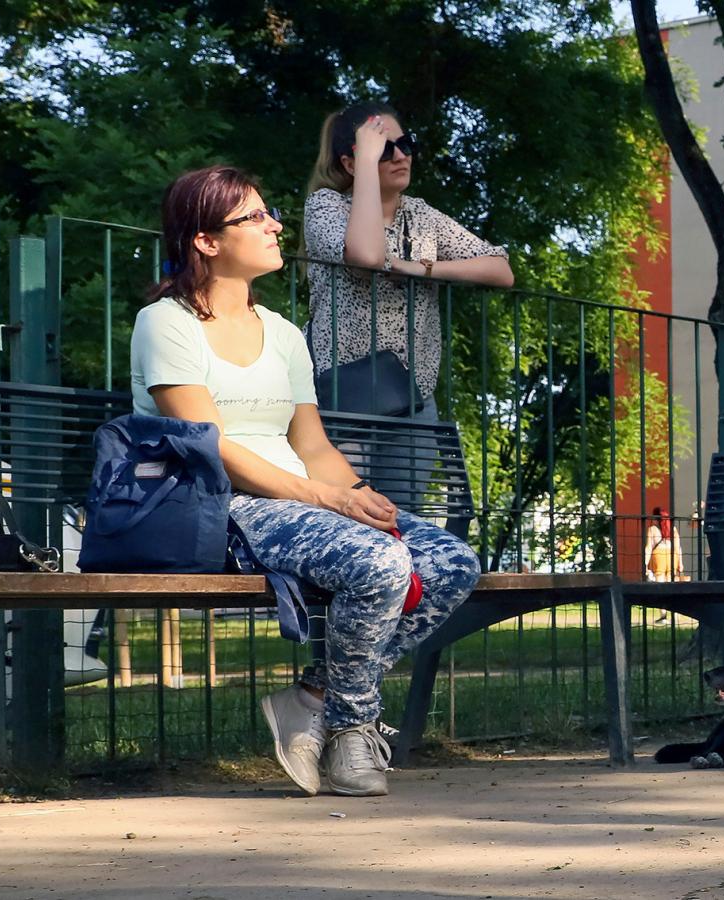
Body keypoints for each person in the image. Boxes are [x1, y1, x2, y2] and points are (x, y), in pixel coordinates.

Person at [131, 165, 481, 796]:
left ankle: (314, 694)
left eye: (270, 214)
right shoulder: (166, 322)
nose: (275, 225)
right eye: (255, 217)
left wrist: (360, 497)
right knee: (379, 564)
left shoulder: (286, 335)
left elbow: (310, 444)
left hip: (300, 500)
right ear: (206, 241)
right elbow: (211, 447)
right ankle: (352, 733)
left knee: (449, 559)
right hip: (221, 506)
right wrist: (326, 499)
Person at [303, 102, 513, 507]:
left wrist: (421, 269)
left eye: (405, 144)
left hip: (413, 399)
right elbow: (366, 257)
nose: (401, 156)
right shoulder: (327, 206)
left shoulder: (421, 215)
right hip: (344, 398)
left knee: (406, 519)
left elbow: (500, 269)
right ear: (350, 162)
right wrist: (366, 163)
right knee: (349, 515)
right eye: (383, 149)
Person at [644, 506, 686, 583]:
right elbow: (678, 547)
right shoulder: (673, 529)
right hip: (672, 555)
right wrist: (680, 562)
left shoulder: (652, 529)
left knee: (659, 580)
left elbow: (648, 548)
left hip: (658, 555)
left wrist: (645, 563)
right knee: (672, 579)